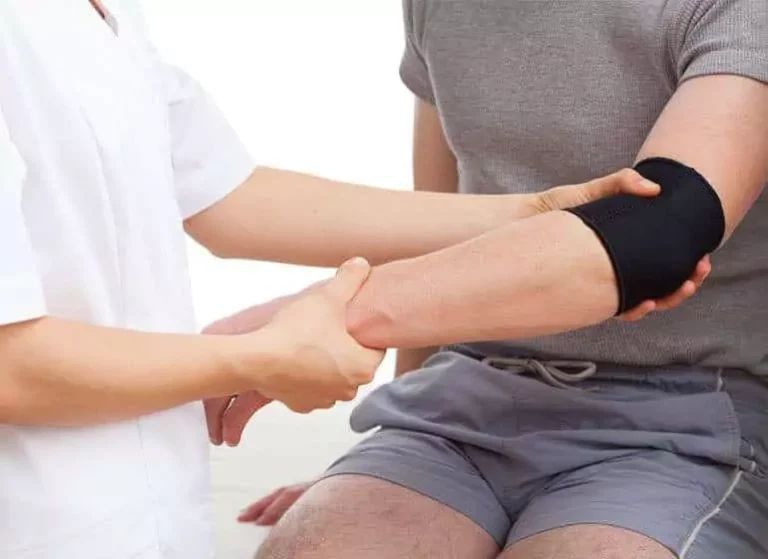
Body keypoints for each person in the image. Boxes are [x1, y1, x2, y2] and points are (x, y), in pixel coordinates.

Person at [0, 1, 701, 557]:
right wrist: (258, 355)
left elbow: (229, 197)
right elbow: (10, 365)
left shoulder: (103, 17)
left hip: (136, 511)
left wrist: (531, 211)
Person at [245, 1, 768, 558]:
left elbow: (657, 237)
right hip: (468, 397)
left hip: (683, 417)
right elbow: (439, 236)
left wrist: (304, 323)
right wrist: (376, 471)